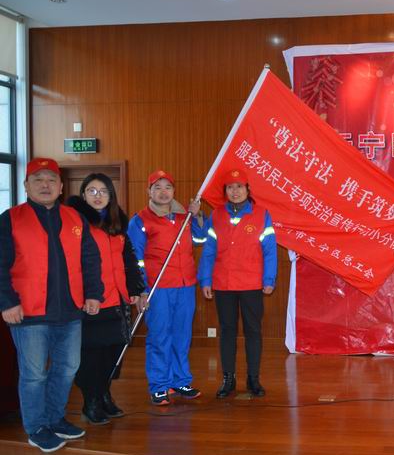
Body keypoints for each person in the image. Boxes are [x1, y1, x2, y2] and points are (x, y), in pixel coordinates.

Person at [0, 158, 103, 452]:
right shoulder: (10, 219)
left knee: (68, 368)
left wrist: (93, 294)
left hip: (70, 311)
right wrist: (7, 302)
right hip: (28, 312)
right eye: (38, 180)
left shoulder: (75, 218)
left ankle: (55, 419)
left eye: (50, 180)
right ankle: (36, 427)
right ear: (26, 185)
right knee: (34, 374)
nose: (45, 185)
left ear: (60, 187)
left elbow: (90, 259)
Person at [67, 173, 145, 424]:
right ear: (83, 194)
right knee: (92, 356)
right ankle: (91, 401)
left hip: (118, 298)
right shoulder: (75, 223)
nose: (98, 196)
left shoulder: (117, 222)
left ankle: (104, 395)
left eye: (103, 191)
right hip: (91, 300)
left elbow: (129, 259)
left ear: (111, 195)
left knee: (113, 353)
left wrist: (136, 288)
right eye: (92, 190)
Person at [127, 169, 205, 406]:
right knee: (160, 336)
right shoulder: (140, 220)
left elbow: (200, 239)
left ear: (174, 191)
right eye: (157, 187)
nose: (163, 192)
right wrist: (141, 289)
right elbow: (134, 258)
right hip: (157, 287)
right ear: (149, 191)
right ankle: (160, 385)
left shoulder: (184, 217)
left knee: (182, 335)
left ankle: (180, 380)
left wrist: (197, 216)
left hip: (185, 285)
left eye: (168, 187)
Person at [198, 169, 277, 398]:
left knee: (253, 331)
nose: (235, 191)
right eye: (230, 187)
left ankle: (253, 379)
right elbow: (209, 250)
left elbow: (270, 251)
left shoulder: (262, 214)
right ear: (225, 191)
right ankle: (228, 379)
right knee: (227, 331)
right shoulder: (216, 215)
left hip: (252, 283)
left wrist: (269, 279)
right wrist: (206, 279)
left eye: (239, 187)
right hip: (224, 283)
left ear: (247, 189)